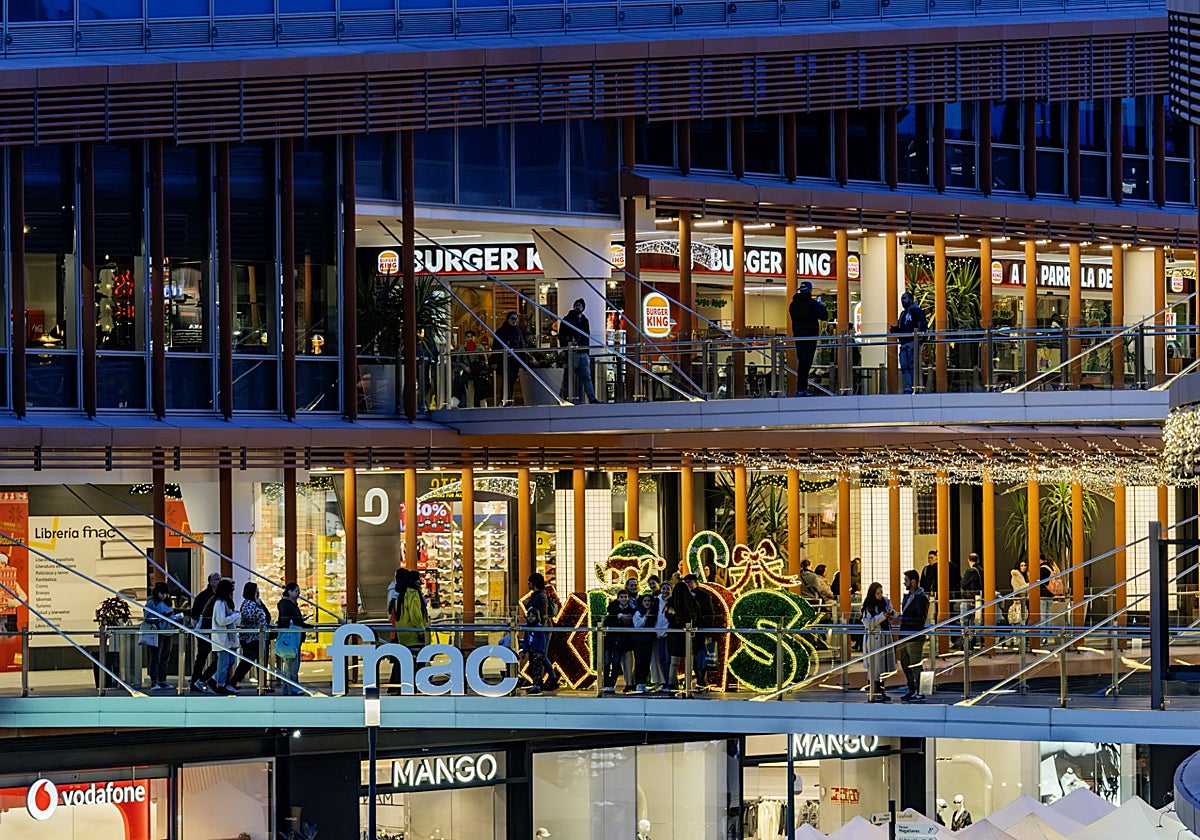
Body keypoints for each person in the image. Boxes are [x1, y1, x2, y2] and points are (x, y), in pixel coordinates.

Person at [388, 569, 429, 694]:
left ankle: (402, 686)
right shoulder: (412, 594)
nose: (420, 583)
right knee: (420, 659)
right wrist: (421, 632)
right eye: (418, 580)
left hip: (403, 634)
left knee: (404, 661)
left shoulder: (398, 595)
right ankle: (419, 685)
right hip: (414, 634)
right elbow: (415, 616)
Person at [228, 581, 272, 692]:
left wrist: (260, 606)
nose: (258, 592)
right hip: (251, 638)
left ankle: (262, 685)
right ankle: (235, 681)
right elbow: (252, 618)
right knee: (248, 661)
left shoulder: (257, 603)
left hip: (259, 637)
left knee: (260, 661)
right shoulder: (248, 604)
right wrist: (261, 613)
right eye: (256, 590)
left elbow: (267, 616)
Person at [140, 581, 183, 691]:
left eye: (165, 593)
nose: (164, 596)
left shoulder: (168, 602)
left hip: (168, 632)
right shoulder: (151, 603)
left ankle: (163, 680)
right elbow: (148, 618)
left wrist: (174, 618)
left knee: (164, 657)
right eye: (162, 593)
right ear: (157, 592)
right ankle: (154, 681)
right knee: (155, 657)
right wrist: (162, 617)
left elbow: (171, 616)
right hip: (157, 633)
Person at [789, 281, 828, 397]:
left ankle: (801, 388)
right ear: (810, 290)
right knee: (806, 363)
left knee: (802, 362)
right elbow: (824, 316)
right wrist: (821, 306)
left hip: (798, 336)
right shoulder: (812, 304)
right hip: (810, 337)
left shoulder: (793, 305)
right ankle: (802, 388)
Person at [558, 297, 598, 404]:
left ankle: (592, 398)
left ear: (583, 308)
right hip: (572, 352)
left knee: (586, 376)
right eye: (577, 305)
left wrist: (587, 352)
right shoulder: (567, 320)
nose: (578, 307)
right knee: (568, 377)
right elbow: (561, 336)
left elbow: (587, 337)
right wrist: (569, 340)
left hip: (582, 352)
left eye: (580, 305)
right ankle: (564, 397)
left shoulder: (585, 321)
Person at [897, 569, 929, 703]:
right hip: (905, 635)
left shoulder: (921, 598)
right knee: (905, 663)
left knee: (915, 664)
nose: (904, 583)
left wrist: (902, 620)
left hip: (914, 636)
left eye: (906, 580)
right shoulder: (907, 597)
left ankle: (920, 691)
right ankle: (912, 689)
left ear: (913, 582)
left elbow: (921, 619)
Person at [860, 582, 895, 702]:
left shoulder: (885, 602)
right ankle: (874, 691)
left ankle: (881, 690)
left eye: (881, 593)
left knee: (884, 666)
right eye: (877, 593)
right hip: (874, 639)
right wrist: (882, 616)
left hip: (885, 637)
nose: (880, 595)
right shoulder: (868, 606)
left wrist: (891, 613)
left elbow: (894, 613)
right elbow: (868, 623)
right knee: (875, 666)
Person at [276, 582, 312, 696]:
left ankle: (289, 687)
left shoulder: (288, 603)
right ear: (289, 591)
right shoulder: (286, 604)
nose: (298, 594)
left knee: (291, 664)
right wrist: (304, 624)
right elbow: (294, 620)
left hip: (293, 636)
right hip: (292, 637)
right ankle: (292, 687)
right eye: (296, 591)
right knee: (291, 664)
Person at [189, 572, 221, 693]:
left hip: (214, 631)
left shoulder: (218, 596)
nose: (219, 581)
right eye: (217, 579)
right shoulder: (203, 596)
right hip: (205, 631)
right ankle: (197, 681)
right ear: (211, 582)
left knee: (219, 657)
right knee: (202, 657)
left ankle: (203, 679)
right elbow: (194, 615)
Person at [664, 579, 698, 693]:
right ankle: (688, 684)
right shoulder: (692, 602)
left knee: (674, 662)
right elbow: (697, 616)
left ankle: (672, 683)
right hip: (688, 634)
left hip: (674, 635)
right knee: (689, 662)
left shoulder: (670, 603)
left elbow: (667, 616)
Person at [209, 578, 241, 696]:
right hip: (221, 638)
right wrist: (235, 615)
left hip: (228, 638)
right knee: (223, 663)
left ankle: (215, 679)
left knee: (230, 660)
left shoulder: (225, 602)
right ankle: (220, 684)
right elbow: (221, 620)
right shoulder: (219, 603)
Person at [684, 573, 715, 692]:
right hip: (689, 629)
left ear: (696, 583)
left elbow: (709, 613)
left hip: (700, 629)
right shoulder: (684, 595)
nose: (688, 584)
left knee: (701, 656)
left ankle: (701, 680)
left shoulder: (702, 595)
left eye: (690, 582)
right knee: (693, 656)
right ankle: (696, 679)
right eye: (686, 582)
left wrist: (708, 631)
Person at [893, 291, 928, 394]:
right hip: (904, 342)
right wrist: (896, 330)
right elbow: (902, 327)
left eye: (904, 298)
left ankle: (914, 386)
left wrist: (920, 340)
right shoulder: (903, 313)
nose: (902, 301)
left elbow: (922, 325)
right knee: (904, 365)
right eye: (901, 299)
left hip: (913, 342)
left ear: (911, 299)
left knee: (912, 365)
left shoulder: (916, 311)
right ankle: (908, 386)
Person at [602, 589, 635, 693]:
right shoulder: (612, 608)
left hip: (621, 642)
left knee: (616, 662)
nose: (624, 599)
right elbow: (609, 621)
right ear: (618, 598)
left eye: (625, 597)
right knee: (606, 662)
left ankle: (612, 684)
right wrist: (620, 616)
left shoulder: (631, 609)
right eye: (621, 597)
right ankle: (605, 683)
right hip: (609, 640)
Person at [523, 572, 552, 695]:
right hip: (541, 629)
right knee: (540, 656)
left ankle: (544, 680)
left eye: (529, 582)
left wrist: (528, 606)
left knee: (540, 656)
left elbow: (538, 613)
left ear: (533, 583)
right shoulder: (540, 595)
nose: (528, 584)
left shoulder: (538, 596)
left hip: (540, 630)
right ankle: (540, 681)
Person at [491, 311, 525, 405]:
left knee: (512, 381)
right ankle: (504, 400)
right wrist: (494, 361)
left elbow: (520, 346)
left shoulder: (518, 331)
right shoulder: (502, 331)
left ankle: (508, 400)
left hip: (514, 360)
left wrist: (523, 362)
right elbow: (496, 346)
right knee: (506, 381)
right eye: (512, 319)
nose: (514, 321)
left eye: (515, 319)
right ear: (508, 319)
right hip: (503, 360)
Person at [631, 592, 658, 692]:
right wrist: (645, 617)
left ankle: (643, 683)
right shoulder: (638, 611)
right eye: (645, 601)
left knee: (646, 662)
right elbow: (637, 624)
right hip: (639, 640)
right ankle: (638, 683)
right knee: (639, 662)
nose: (647, 603)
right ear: (642, 602)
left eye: (649, 601)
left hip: (649, 640)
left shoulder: (653, 611)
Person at [651, 579, 671, 690]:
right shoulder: (656, 601)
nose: (665, 591)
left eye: (668, 589)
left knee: (668, 659)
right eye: (664, 589)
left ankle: (669, 682)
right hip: (658, 633)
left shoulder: (673, 601)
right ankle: (664, 682)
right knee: (662, 659)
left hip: (669, 634)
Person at [1008, 560, 1029, 626]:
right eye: (1021, 566)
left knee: (1023, 615)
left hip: (1025, 598)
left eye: (1025, 565)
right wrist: (1029, 585)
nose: (1024, 567)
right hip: (1018, 598)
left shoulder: (1025, 575)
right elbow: (1017, 588)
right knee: (1018, 616)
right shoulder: (1016, 575)